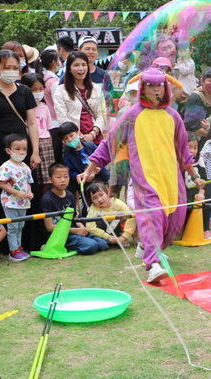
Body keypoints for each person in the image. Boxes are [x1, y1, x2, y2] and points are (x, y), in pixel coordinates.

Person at [79, 68, 203, 282]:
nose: (156, 90)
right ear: (142, 88)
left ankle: (148, 246)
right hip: (145, 179)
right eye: (151, 85)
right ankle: (152, 264)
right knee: (152, 216)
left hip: (172, 180)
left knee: (175, 220)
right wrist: (91, 167)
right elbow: (111, 144)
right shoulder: (131, 115)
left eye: (159, 85)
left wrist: (194, 175)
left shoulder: (173, 116)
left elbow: (183, 150)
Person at [0, 50, 41, 224]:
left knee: (26, 189)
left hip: (22, 149)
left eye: (16, 67)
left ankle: (28, 240)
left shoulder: (25, 91)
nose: (12, 71)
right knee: (2, 191)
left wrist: (35, 152)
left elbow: (32, 124)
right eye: (7, 67)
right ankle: (3, 241)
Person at [42, 163, 108, 254]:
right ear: (50, 179)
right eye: (58, 177)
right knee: (92, 246)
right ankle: (57, 246)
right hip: (61, 234)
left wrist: (80, 226)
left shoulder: (69, 195)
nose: (63, 180)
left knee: (103, 244)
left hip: (73, 229)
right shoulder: (47, 199)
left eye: (66, 177)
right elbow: (49, 227)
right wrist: (76, 230)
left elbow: (74, 218)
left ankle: (82, 242)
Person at [53, 51, 106, 145]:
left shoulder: (96, 89)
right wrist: (77, 135)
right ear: (69, 68)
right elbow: (62, 118)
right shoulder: (61, 91)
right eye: (76, 65)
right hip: (73, 141)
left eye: (84, 65)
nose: (81, 68)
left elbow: (101, 114)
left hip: (95, 139)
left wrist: (93, 134)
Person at [0, 134, 33, 261]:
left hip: (23, 202)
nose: (22, 152)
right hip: (10, 202)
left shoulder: (25, 167)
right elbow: (2, 184)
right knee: (13, 227)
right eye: (18, 149)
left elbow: (28, 183)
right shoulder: (6, 166)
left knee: (20, 226)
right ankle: (13, 251)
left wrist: (29, 193)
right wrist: (17, 193)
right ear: (9, 150)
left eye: (24, 149)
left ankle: (19, 248)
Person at [20, 73, 54, 192]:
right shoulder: (23, 108)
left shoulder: (44, 106)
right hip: (30, 142)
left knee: (46, 178)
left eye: (40, 89)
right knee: (33, 177)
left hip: (45, 143)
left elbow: (49, 126)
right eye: (33, 89)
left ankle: (44, 201)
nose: (38, 92)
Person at [58, 121, 109, 194]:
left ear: (78, 133)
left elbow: (101, 158)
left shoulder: (90, 145)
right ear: (63, 141)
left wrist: (99, 168)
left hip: (100, 178)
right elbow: (71, 171)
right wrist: (82, 177)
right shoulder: (67, 154)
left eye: (71, 135)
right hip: (85, 184)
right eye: (66, 138)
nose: (70, 139)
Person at [85, 182, 136, 247]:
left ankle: (123, 238)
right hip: (104, 233)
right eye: (95, 198)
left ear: (107, 193)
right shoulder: (93, 208)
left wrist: (125, 236)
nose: (100, 199)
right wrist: (108, 237)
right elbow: (90, 227)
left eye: (101, 195)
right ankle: (110, 241)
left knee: (127, 217)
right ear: (91, 200)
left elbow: (131, 215)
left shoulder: (116, 203)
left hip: (118, 230)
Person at [183, 67, 211, 146]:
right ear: (202, 81)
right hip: (194, 143)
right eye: (209, 81)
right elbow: (191, 125)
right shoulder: (195, 98)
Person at [40, 49, 61, 123]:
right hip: (55, 120)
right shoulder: (53, 82)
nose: (59, 62)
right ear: (53, 62)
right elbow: (58, 104)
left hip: (46, 118)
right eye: (58, 59)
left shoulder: (42, 77)